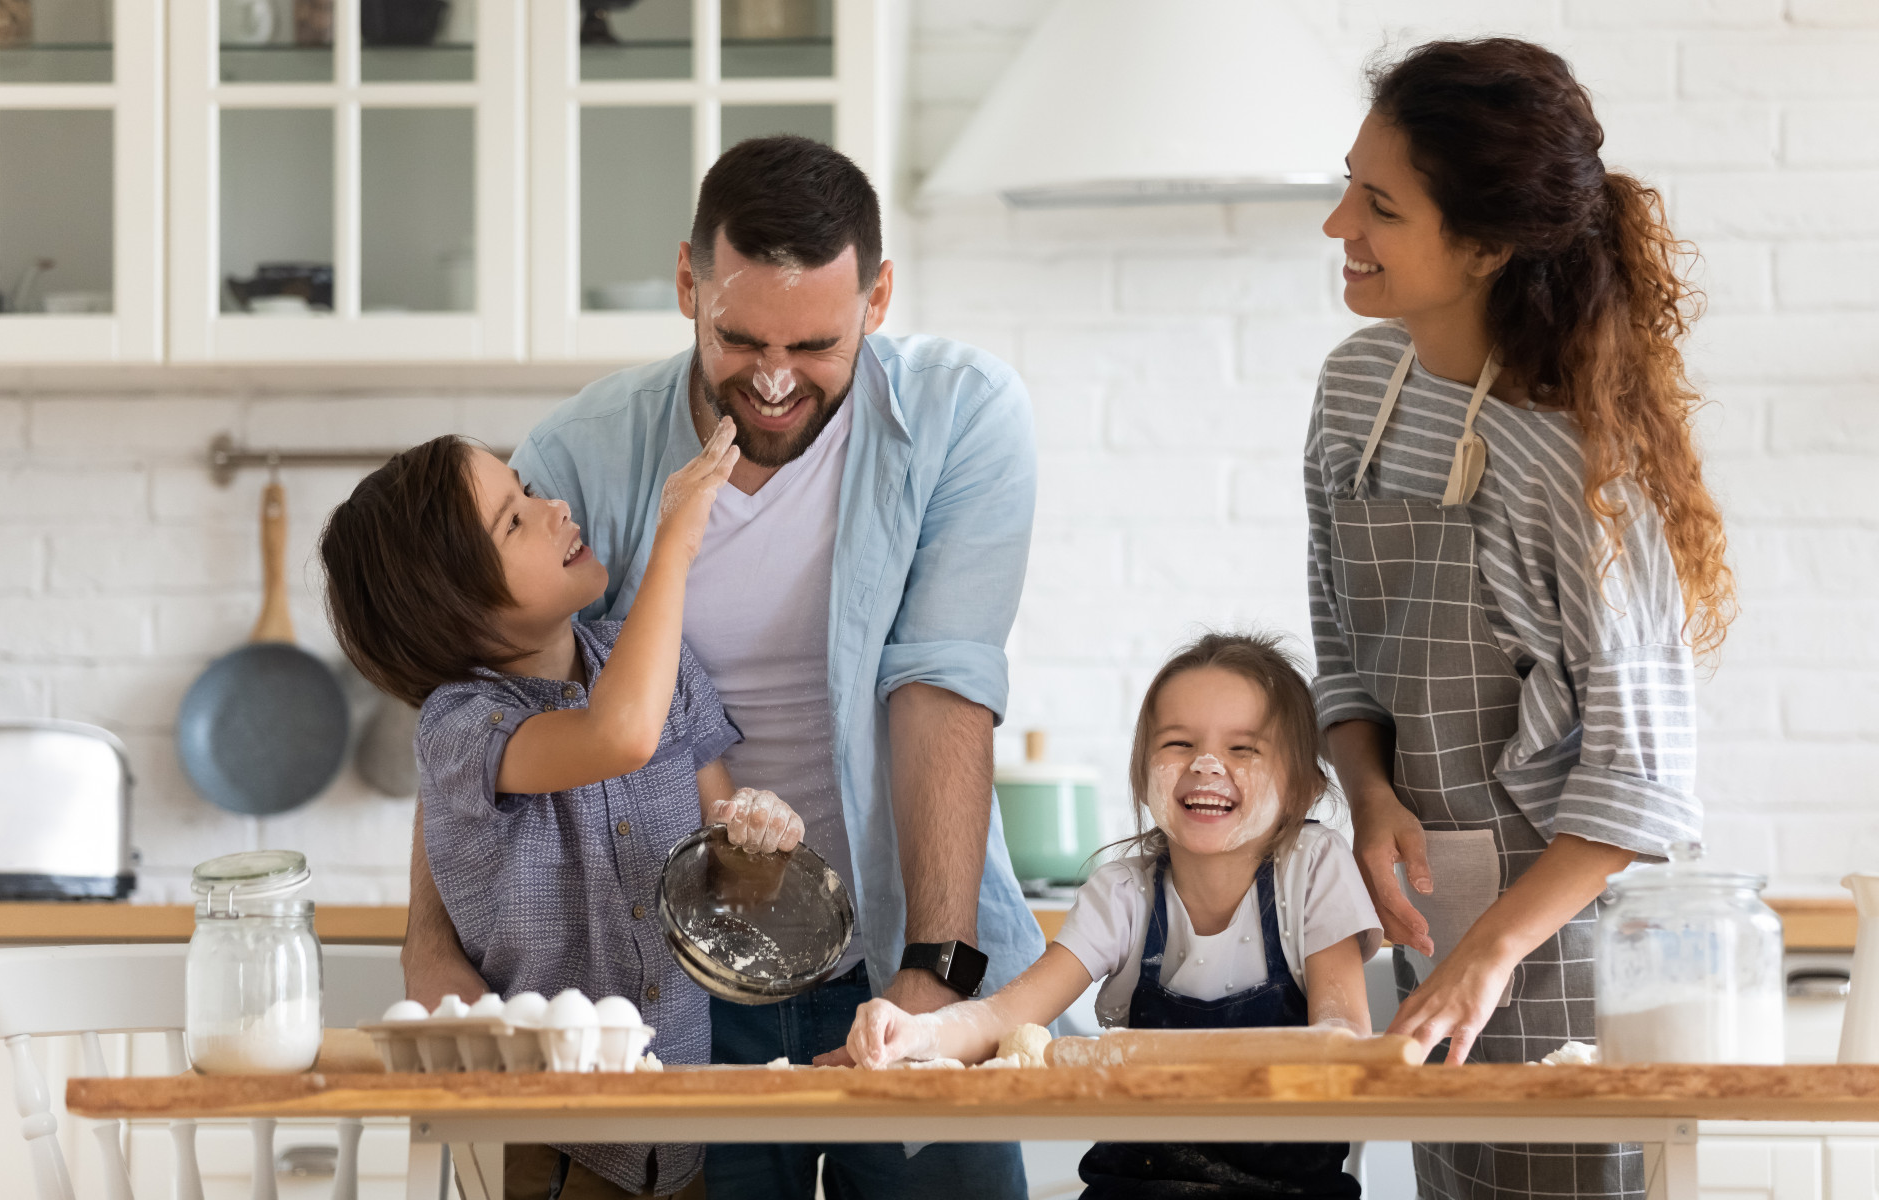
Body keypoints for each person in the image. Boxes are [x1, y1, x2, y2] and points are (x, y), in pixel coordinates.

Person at [399, 134, 1041, 1199]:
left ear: (878, 298)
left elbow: (939, 690)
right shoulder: (581, 460)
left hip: (909, 955)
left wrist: (935, 972)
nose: (777, 381)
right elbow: (481, 708)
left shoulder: (962, 417)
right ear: (688, 283)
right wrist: (429, 947)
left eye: (818, 344)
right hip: (678, 981)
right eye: (740, 338)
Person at [1305, 37, 1738, 1200]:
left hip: (1570, 957)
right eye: (1349, 183)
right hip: (1433, 917)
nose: (1339, 223)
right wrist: (1370, 790)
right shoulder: (1354, 393)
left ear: (1487, 245)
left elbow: (1639, 775)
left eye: (1380, 204)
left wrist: (1494, 947)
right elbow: (1339, 642)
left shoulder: (1573, 463)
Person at [319, 421, 809, 1198]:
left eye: (529, 492)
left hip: (684, 1135)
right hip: (557, 1146)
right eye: (513, 521)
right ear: (452, 607)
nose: (555, 511)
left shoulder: (663, 668)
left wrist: (759, 847)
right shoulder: (460, 728)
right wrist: (676, 540)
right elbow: (614, 735)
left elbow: (728, 896)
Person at [848, 632, 1383, 1200]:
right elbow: (1008, 1016)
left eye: (1243, 749)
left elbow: (1343, 1038)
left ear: (1304, 788)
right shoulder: (1125, 892)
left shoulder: (1314, 870)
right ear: (1140, 770)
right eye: (1178, 743)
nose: (1206, 765)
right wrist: (919, 1032)